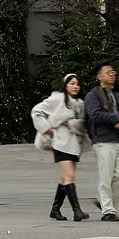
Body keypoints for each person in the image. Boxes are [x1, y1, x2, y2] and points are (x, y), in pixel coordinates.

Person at [31, 73, 90, 221]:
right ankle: (77, 211)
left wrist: (73, 125)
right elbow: (36, 111)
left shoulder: (80, 104)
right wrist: (47, 128)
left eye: (77, 84)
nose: (75, 86)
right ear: (65, 85)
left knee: (66, 177)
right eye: (72, 83)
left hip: (75, 144)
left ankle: (55, 209)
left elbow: (83, 124)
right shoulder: (56, 99)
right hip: (60, 143)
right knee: (69, 175)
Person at [84, 61, 119, 221]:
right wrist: (115, 118)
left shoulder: (117, 95)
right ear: (99, 76)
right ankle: (108, 211)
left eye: (113, 72)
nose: (112, 74)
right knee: (105, 176)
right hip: (103, 141)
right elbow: (95, 114)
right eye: (108, 72)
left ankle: (104, 201)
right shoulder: (93, 95)